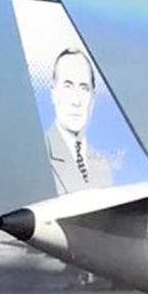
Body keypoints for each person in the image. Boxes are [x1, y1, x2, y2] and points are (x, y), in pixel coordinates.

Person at [44, 48, 113, 192]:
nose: (76, 101)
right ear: (53, 93)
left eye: (84, 88)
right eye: (68, 86)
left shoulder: (101, 164)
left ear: (92, 99)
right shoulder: (40, 155)